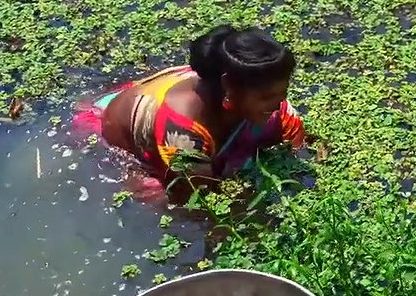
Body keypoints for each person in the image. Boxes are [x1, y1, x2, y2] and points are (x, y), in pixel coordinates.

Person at [73, 25, 306, 190]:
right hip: (111, 123)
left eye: (283, 92)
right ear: (229, 87)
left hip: (176, 95)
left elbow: (299, 151)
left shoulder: (269, 101)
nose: (279, 103)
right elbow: (204, 203)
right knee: (156, 196)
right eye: (267, 96)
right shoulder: (180, 134)